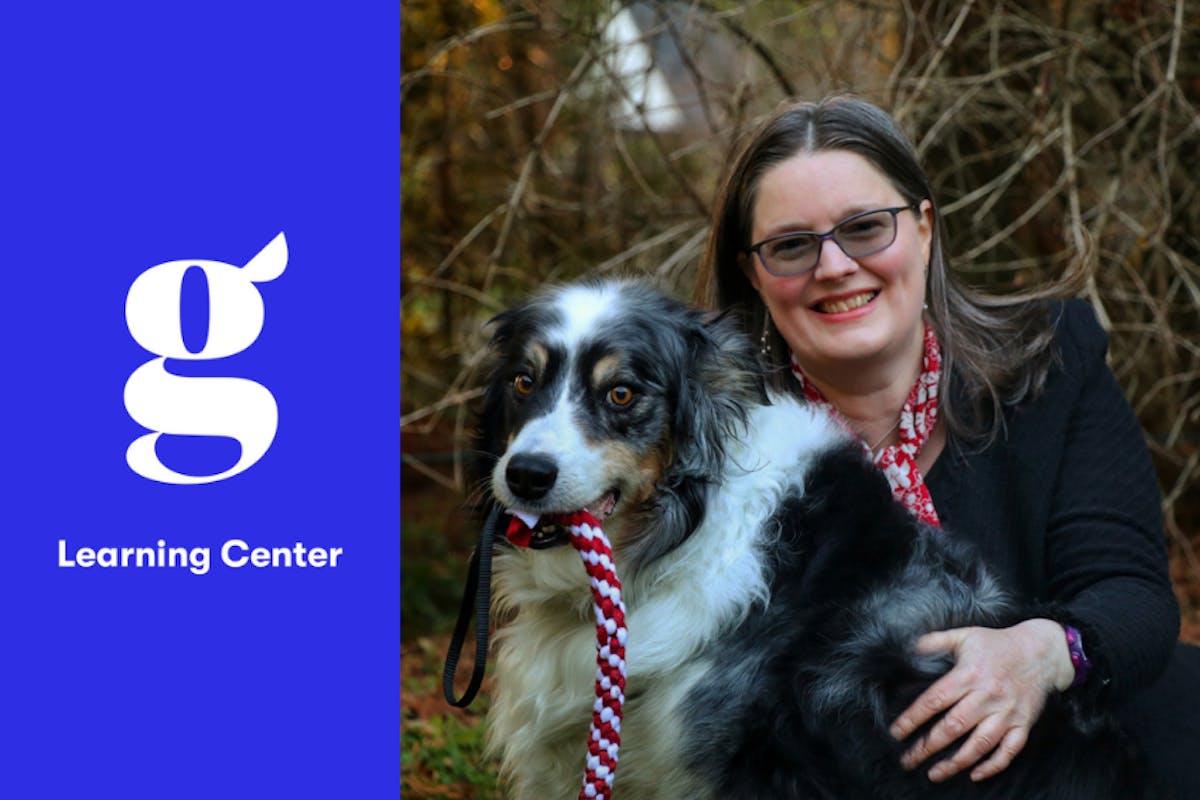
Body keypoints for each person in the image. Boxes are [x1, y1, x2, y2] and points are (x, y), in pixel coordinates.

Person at [694, 94, 1200, 794]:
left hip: (1080, 765)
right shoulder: (716, 447)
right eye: (790, 246)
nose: (835, 266)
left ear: (925, 228)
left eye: (866, 228)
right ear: (754, 273)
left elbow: (1131, 594)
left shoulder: (1051, 363)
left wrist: (1037, 652)